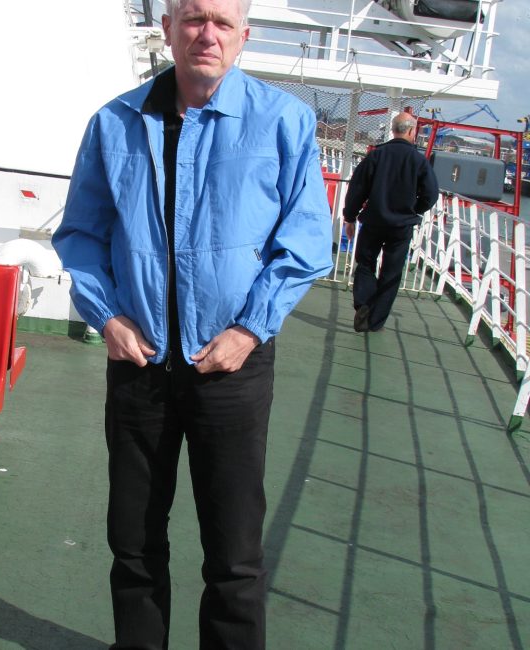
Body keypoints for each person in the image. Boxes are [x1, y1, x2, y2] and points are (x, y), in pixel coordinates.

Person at [52, 0, 332, 647]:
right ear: (169, 28)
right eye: (194, 18)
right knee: (134, 544)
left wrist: (249, 329)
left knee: (234, 556)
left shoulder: (282, 122)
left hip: (230, 368)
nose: (208, 34)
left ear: (243, 37)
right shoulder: (115, 122)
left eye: (222, 22)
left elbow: (307, 240)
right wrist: (108, 316)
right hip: (139, 365)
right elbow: (81, 234)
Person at [343, 111, 439, 332]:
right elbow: (430, 194)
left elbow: (357, 188)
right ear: (412, 131)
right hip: (401, 226)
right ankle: (375, 321)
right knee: (391, 273)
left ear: (393, 130)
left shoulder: (376, 155)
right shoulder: (419, 161)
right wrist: (414, 209)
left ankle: (364, 304)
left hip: (373, 222)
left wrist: (350, 217)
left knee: (366, 264)